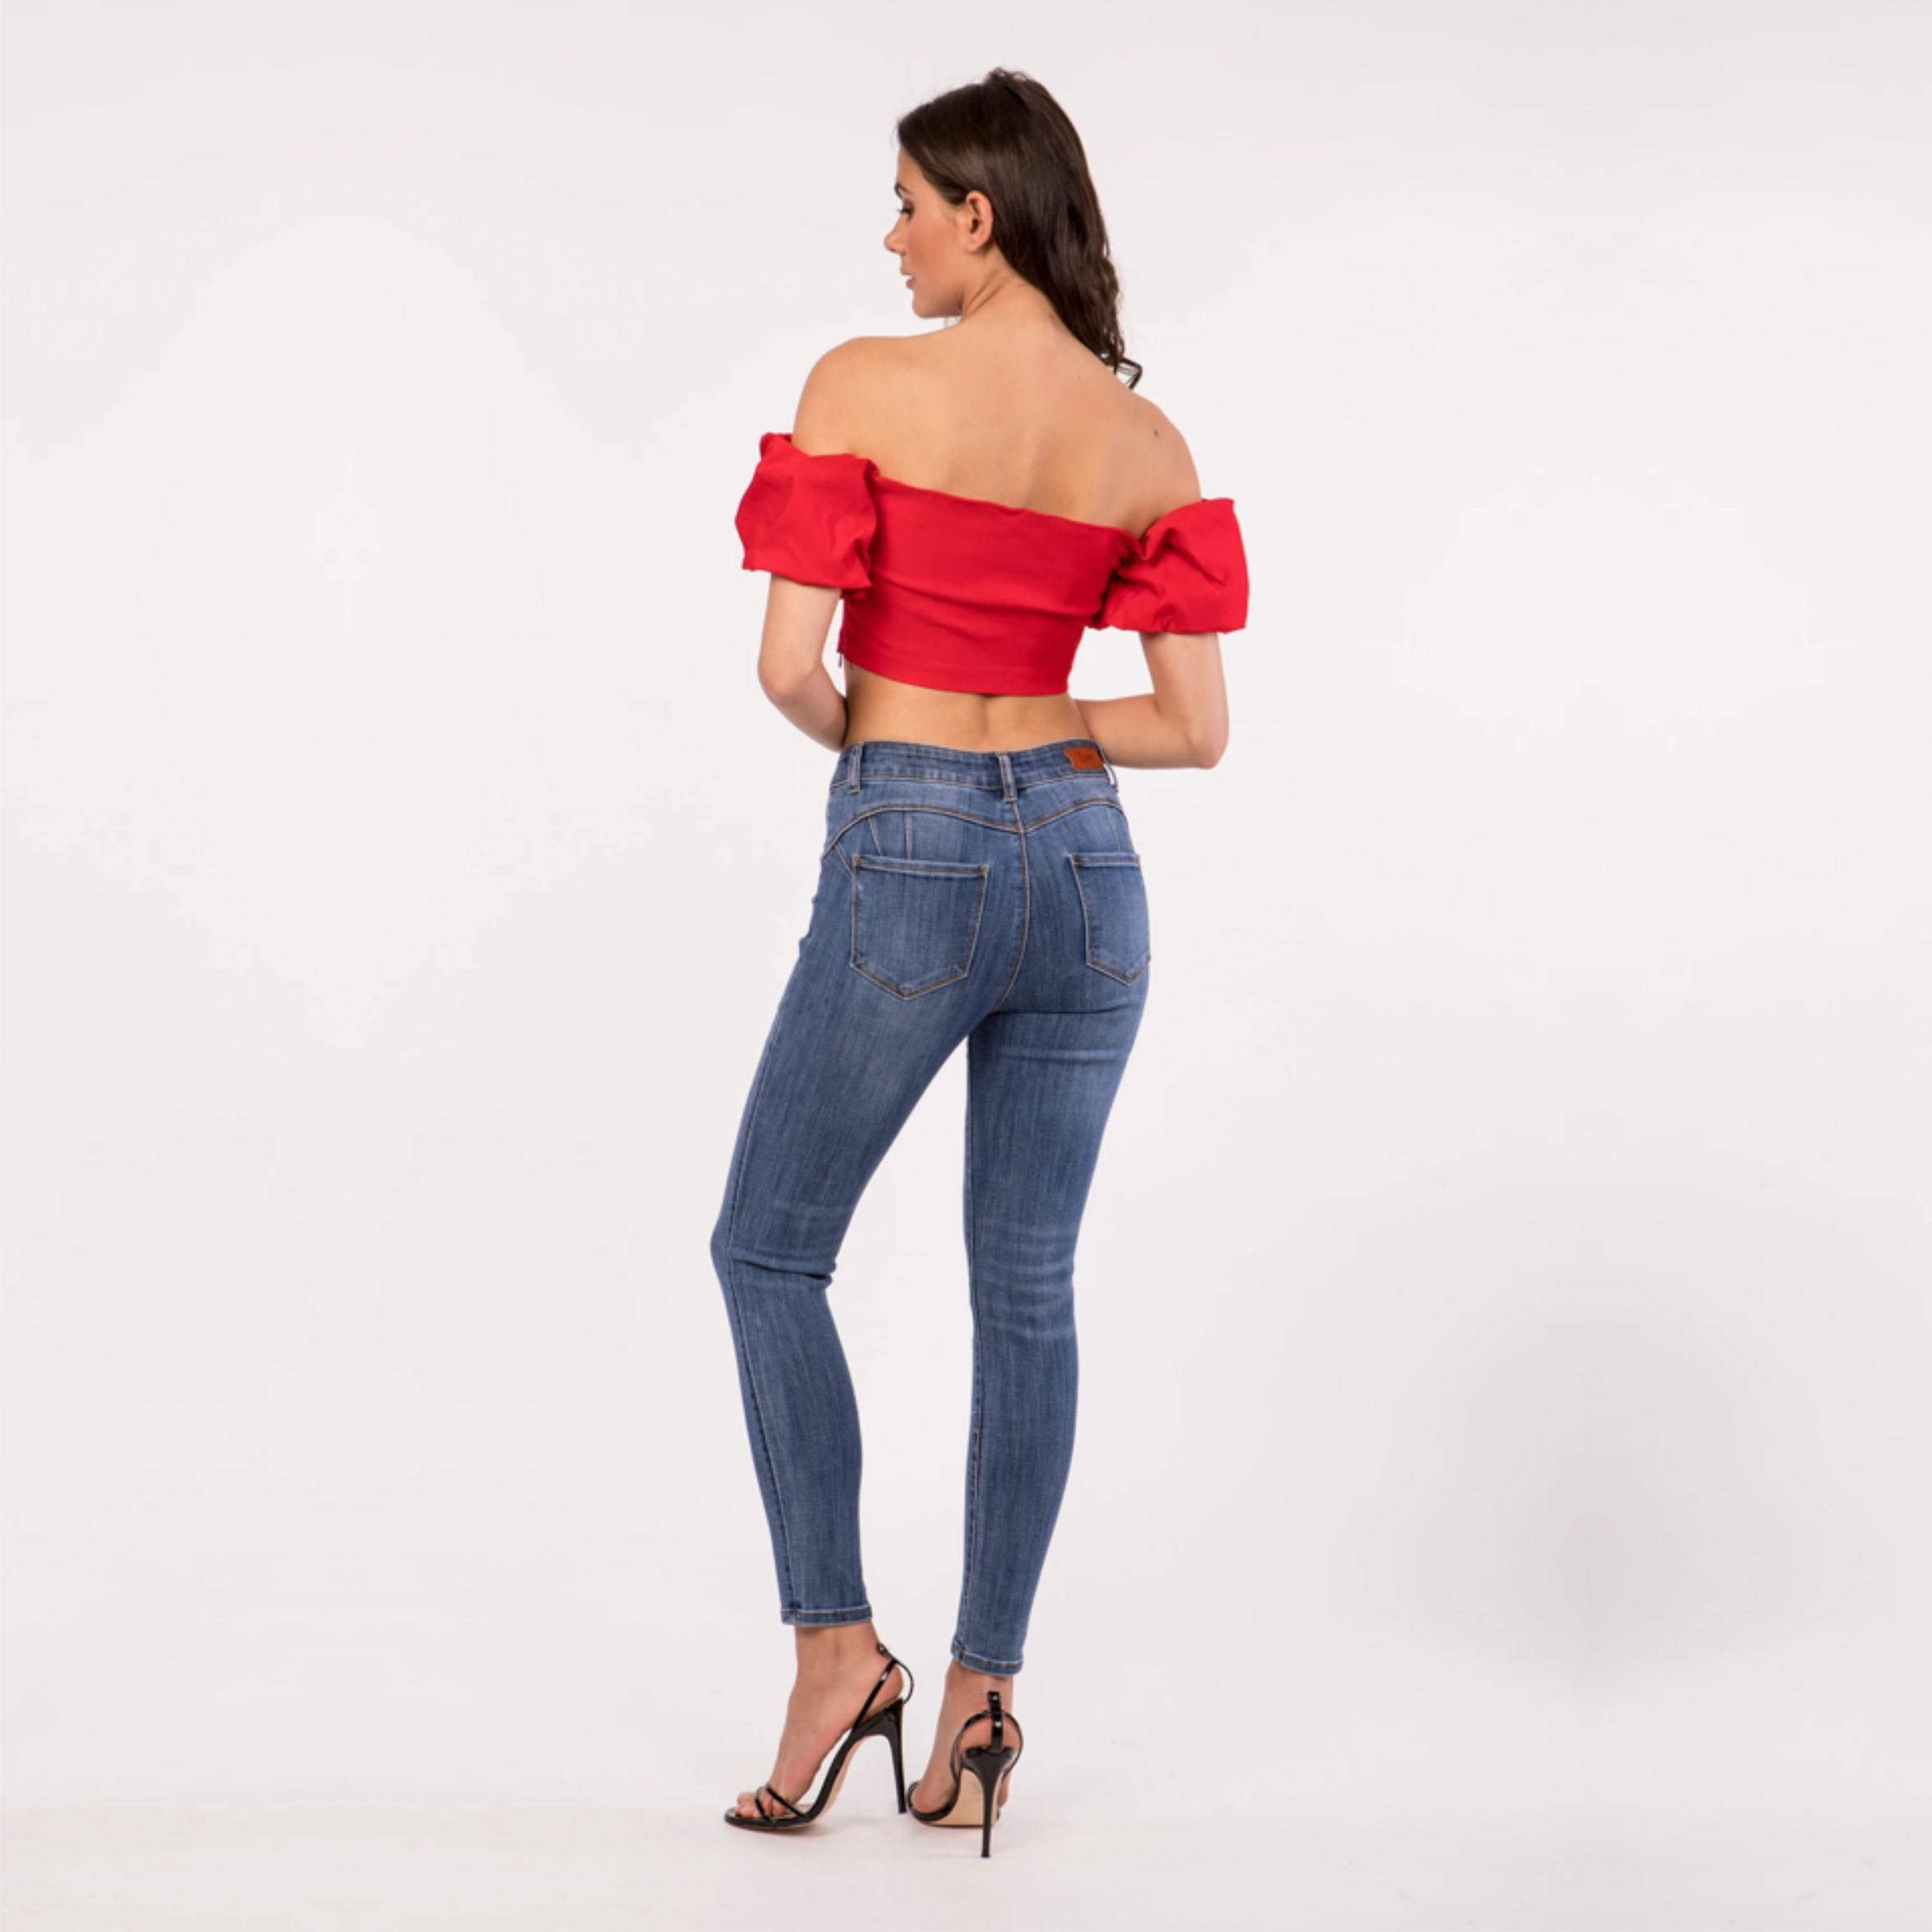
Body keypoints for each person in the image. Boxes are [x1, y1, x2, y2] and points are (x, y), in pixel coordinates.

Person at [713, 67, 1249, 1856]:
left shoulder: (862, 386)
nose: (889, 238)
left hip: (914, 847)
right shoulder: (1143, 444)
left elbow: (788, 671)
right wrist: (1036, 740)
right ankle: (980, 1700)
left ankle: (832, 1653)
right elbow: (1193, 730)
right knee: (1025, 1288)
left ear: (979, 212)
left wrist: (906, 761)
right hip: (1089, 870)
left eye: (905, 202)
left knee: (766, 1245)